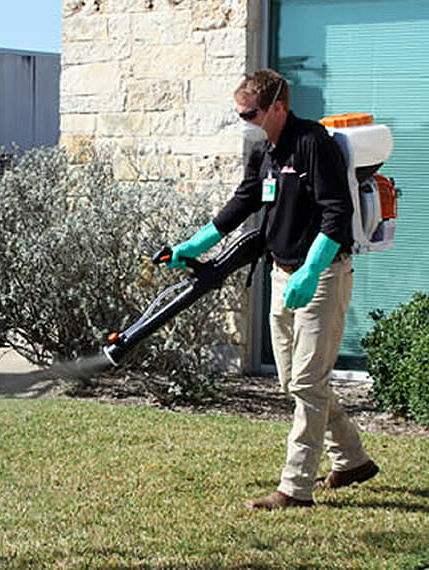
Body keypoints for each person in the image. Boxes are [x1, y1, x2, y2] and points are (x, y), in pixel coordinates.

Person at [167, 69, 379, 509]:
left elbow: (336, 214)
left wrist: (311, 269)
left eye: (251, 113)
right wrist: (194, 243)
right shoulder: (265, 150)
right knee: (294, 381)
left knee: (306, 382)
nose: (245, 120)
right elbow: (243, 201)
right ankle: (353, 459)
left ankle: (294, 489)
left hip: (321, 276)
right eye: (241, 114)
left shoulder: (313, 144)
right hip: (282, 274)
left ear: (278, 107)